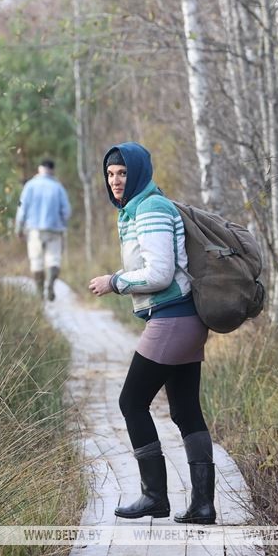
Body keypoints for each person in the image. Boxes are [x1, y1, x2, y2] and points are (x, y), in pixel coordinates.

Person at [88, 142, 216, 525]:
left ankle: (154, 496)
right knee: (184, 409)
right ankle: (202, 506)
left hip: (172, 318)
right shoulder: (137, 209)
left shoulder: (151, 208)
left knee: (131, 401)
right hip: (183, 320)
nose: (115, 180)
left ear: (139, 172)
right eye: (110, 174)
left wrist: (115, 281)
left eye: (122, 173)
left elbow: (159, 273)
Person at [15, 159, 71, 301]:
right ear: (52, 170)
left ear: (39, 169)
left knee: (36, 261)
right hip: (54, 229)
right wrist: (62, 223)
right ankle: (50, 285)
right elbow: (66, 211)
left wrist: (19, 227)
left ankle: (40, 292)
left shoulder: (30, 186)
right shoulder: (58, 187)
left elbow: (22, 207)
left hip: (34, 229)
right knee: (54, 260)